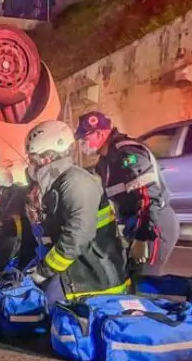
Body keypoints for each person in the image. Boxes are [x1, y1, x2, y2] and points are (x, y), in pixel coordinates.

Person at [23, 120, 128, 304]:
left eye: (34, 159)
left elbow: (78, 234)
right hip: (75, 271)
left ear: (48, 157)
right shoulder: (56, 184)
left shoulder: (76, 182)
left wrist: (44, 270)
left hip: (93, 278)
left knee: (41, 306)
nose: (31, 166)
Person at [75, 111, 180, 276]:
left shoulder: (128, 154)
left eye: (84, 139)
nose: (82, 145)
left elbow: (148, 196)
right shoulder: (105, 162)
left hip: (153, 226)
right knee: (129, 278)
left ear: (99, 134)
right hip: (134, 226)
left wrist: (142, 237)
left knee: (144, 279)